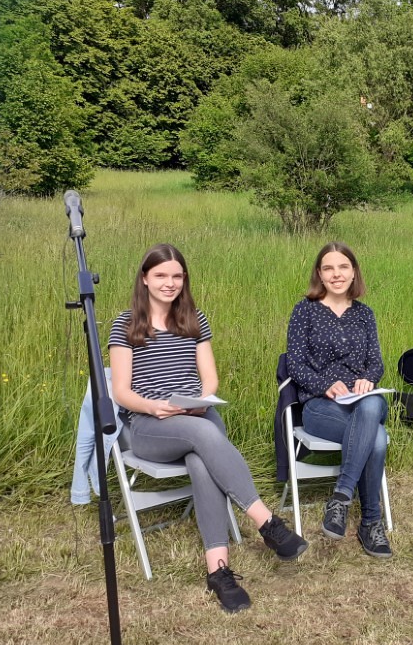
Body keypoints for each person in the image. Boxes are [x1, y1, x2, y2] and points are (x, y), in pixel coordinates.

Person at [109, 243, 308, 614]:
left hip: (195, 413)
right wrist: (153, 406)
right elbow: (121, 391)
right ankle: (267, 523)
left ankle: (218, 572)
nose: (169, 283)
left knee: (202, 460)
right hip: (150, 424)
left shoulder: (194, 320)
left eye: (177, 276)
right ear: (145, 279)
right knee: (205, 435)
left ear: (184, 279)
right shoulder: (126, 324)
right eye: (161, 275)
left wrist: (202, 399)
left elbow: (210, 377)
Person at [285, 242, 391, 559]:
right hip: (321, 406)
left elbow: (376, 363)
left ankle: (341, 498)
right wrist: (325, 385)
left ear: (353, 272)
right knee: (377, 438)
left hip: (362, 403)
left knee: (371, 404)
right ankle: (371, 521)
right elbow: (295, 365)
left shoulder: (365, 315)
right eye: (328, 268)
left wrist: (367, 379)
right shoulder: (305, 310)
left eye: (343, 267)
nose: (336, 274)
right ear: (319, 274)